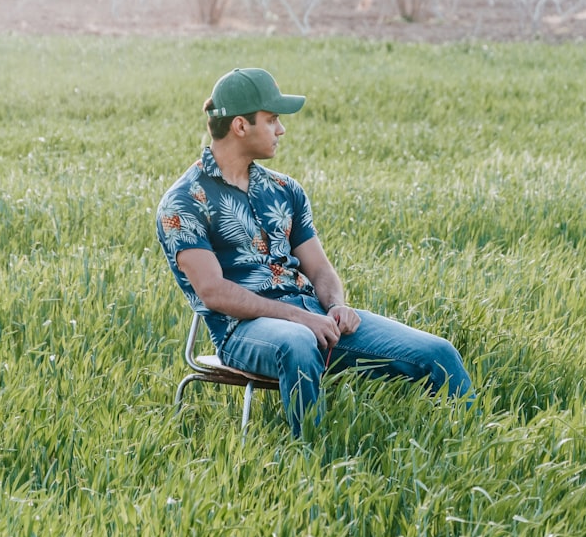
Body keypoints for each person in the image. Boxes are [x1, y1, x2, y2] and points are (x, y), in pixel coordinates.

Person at [157, 67, 475, 437]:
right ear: (240, 126)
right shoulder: (183, 202)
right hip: (242, 331)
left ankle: (475, 444)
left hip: (315, 316)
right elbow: (213, 292)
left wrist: (336, 303)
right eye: (272, 119)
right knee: (298, 342)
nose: (281, 130)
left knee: (439, 354)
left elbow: (320, 269)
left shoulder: (285, 190)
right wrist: (298, 319)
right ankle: (313, 461)